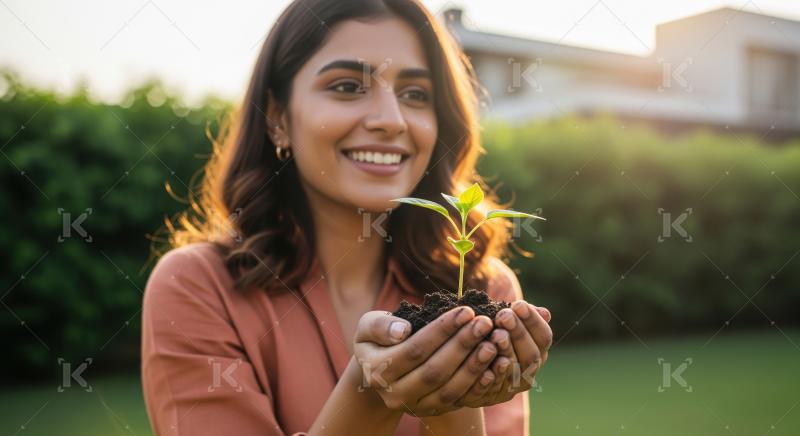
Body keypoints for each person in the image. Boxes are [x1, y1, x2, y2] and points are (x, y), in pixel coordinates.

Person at [141, 0, 553, 434]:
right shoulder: (198, 287)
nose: (391, 121)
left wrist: (459, 391)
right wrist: (371, 393)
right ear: (278, 117)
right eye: (347, 87)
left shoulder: (484, 290)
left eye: (415, 94)